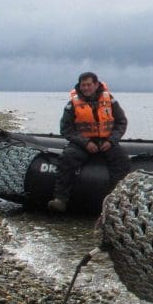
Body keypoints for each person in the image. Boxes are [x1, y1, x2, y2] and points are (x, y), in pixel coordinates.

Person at [47, 72, 131, 212]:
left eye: (89, 85)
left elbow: (121, 122)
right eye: (83, 85)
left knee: (122, 160)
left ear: (96, 85)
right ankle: (60, 199)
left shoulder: (110, 101)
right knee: (67, 158)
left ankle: (117, 201)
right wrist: (85, 143)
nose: (86, 88)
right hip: (82, 143)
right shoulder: (72, 104)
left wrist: (111, 141)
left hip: (106, 141)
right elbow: (66, 129)